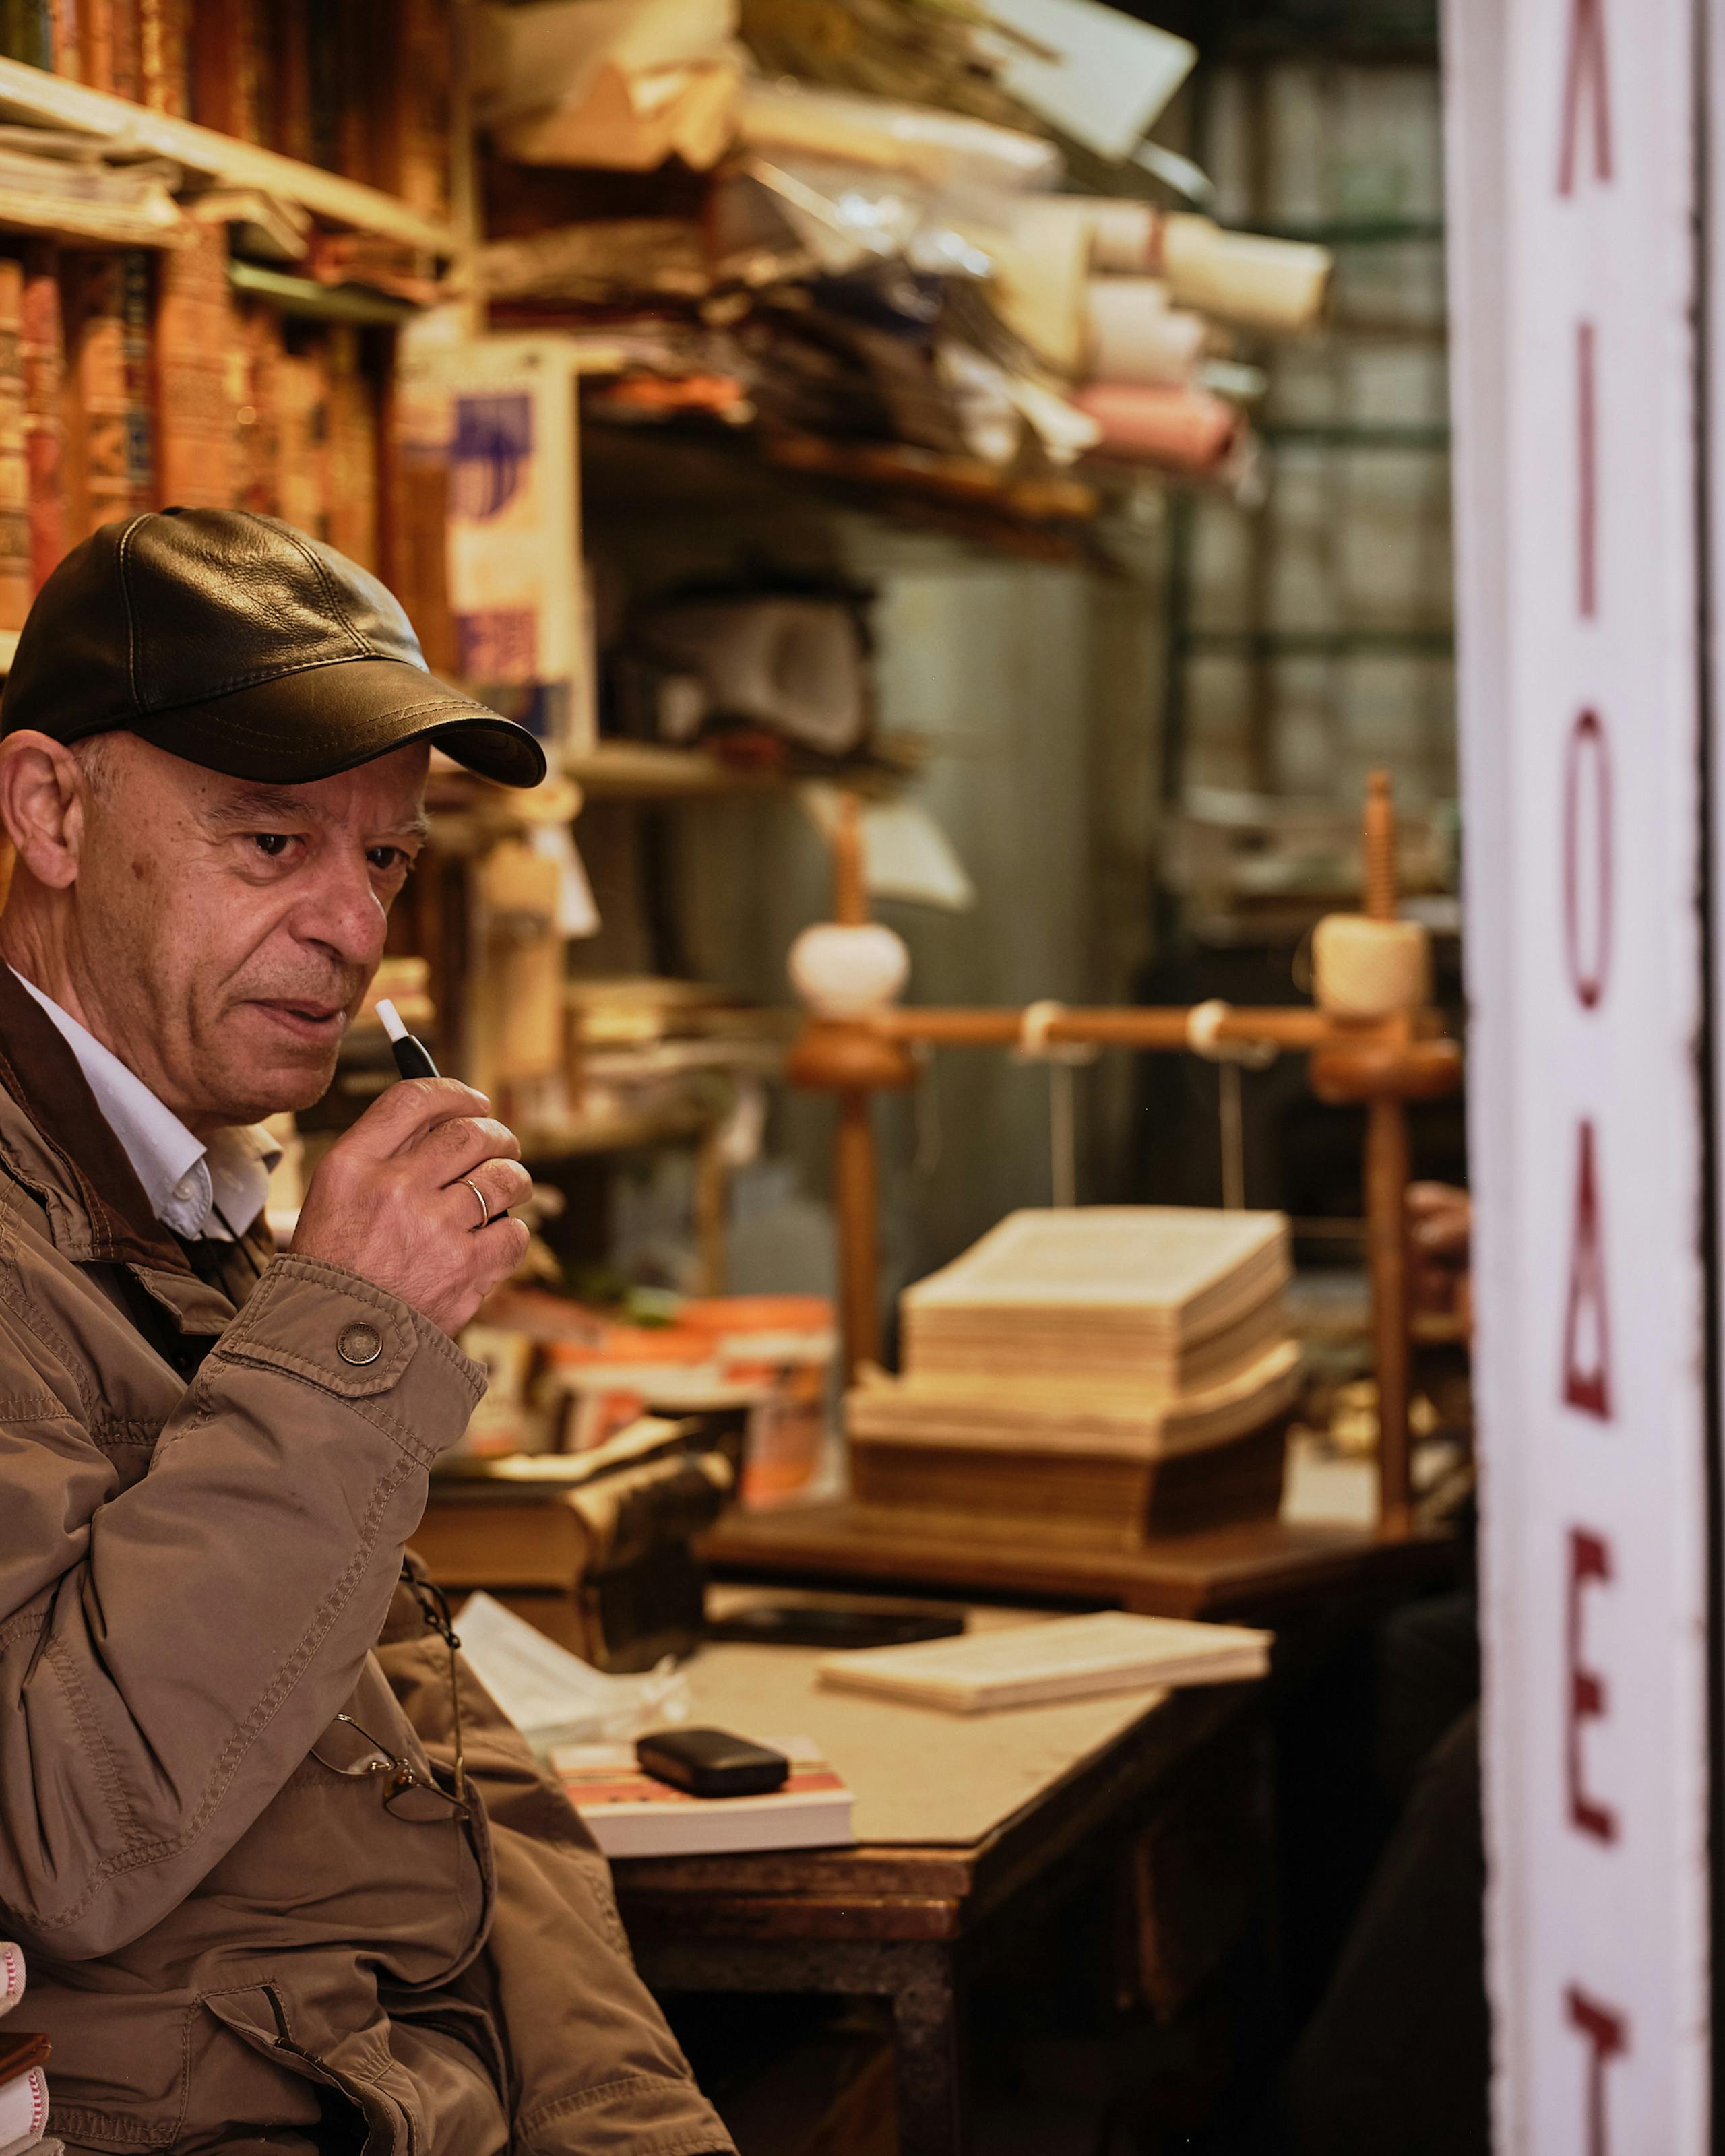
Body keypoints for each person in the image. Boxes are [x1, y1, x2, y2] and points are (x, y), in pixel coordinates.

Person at [0, 510, 734, 2155]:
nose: (352, 926)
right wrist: (353, 1339)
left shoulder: (186, 1186)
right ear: (49, 808)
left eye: (385, 857)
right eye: (271, 843)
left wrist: (636, 2125)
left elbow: (442, 1754)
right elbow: (66, 1828)